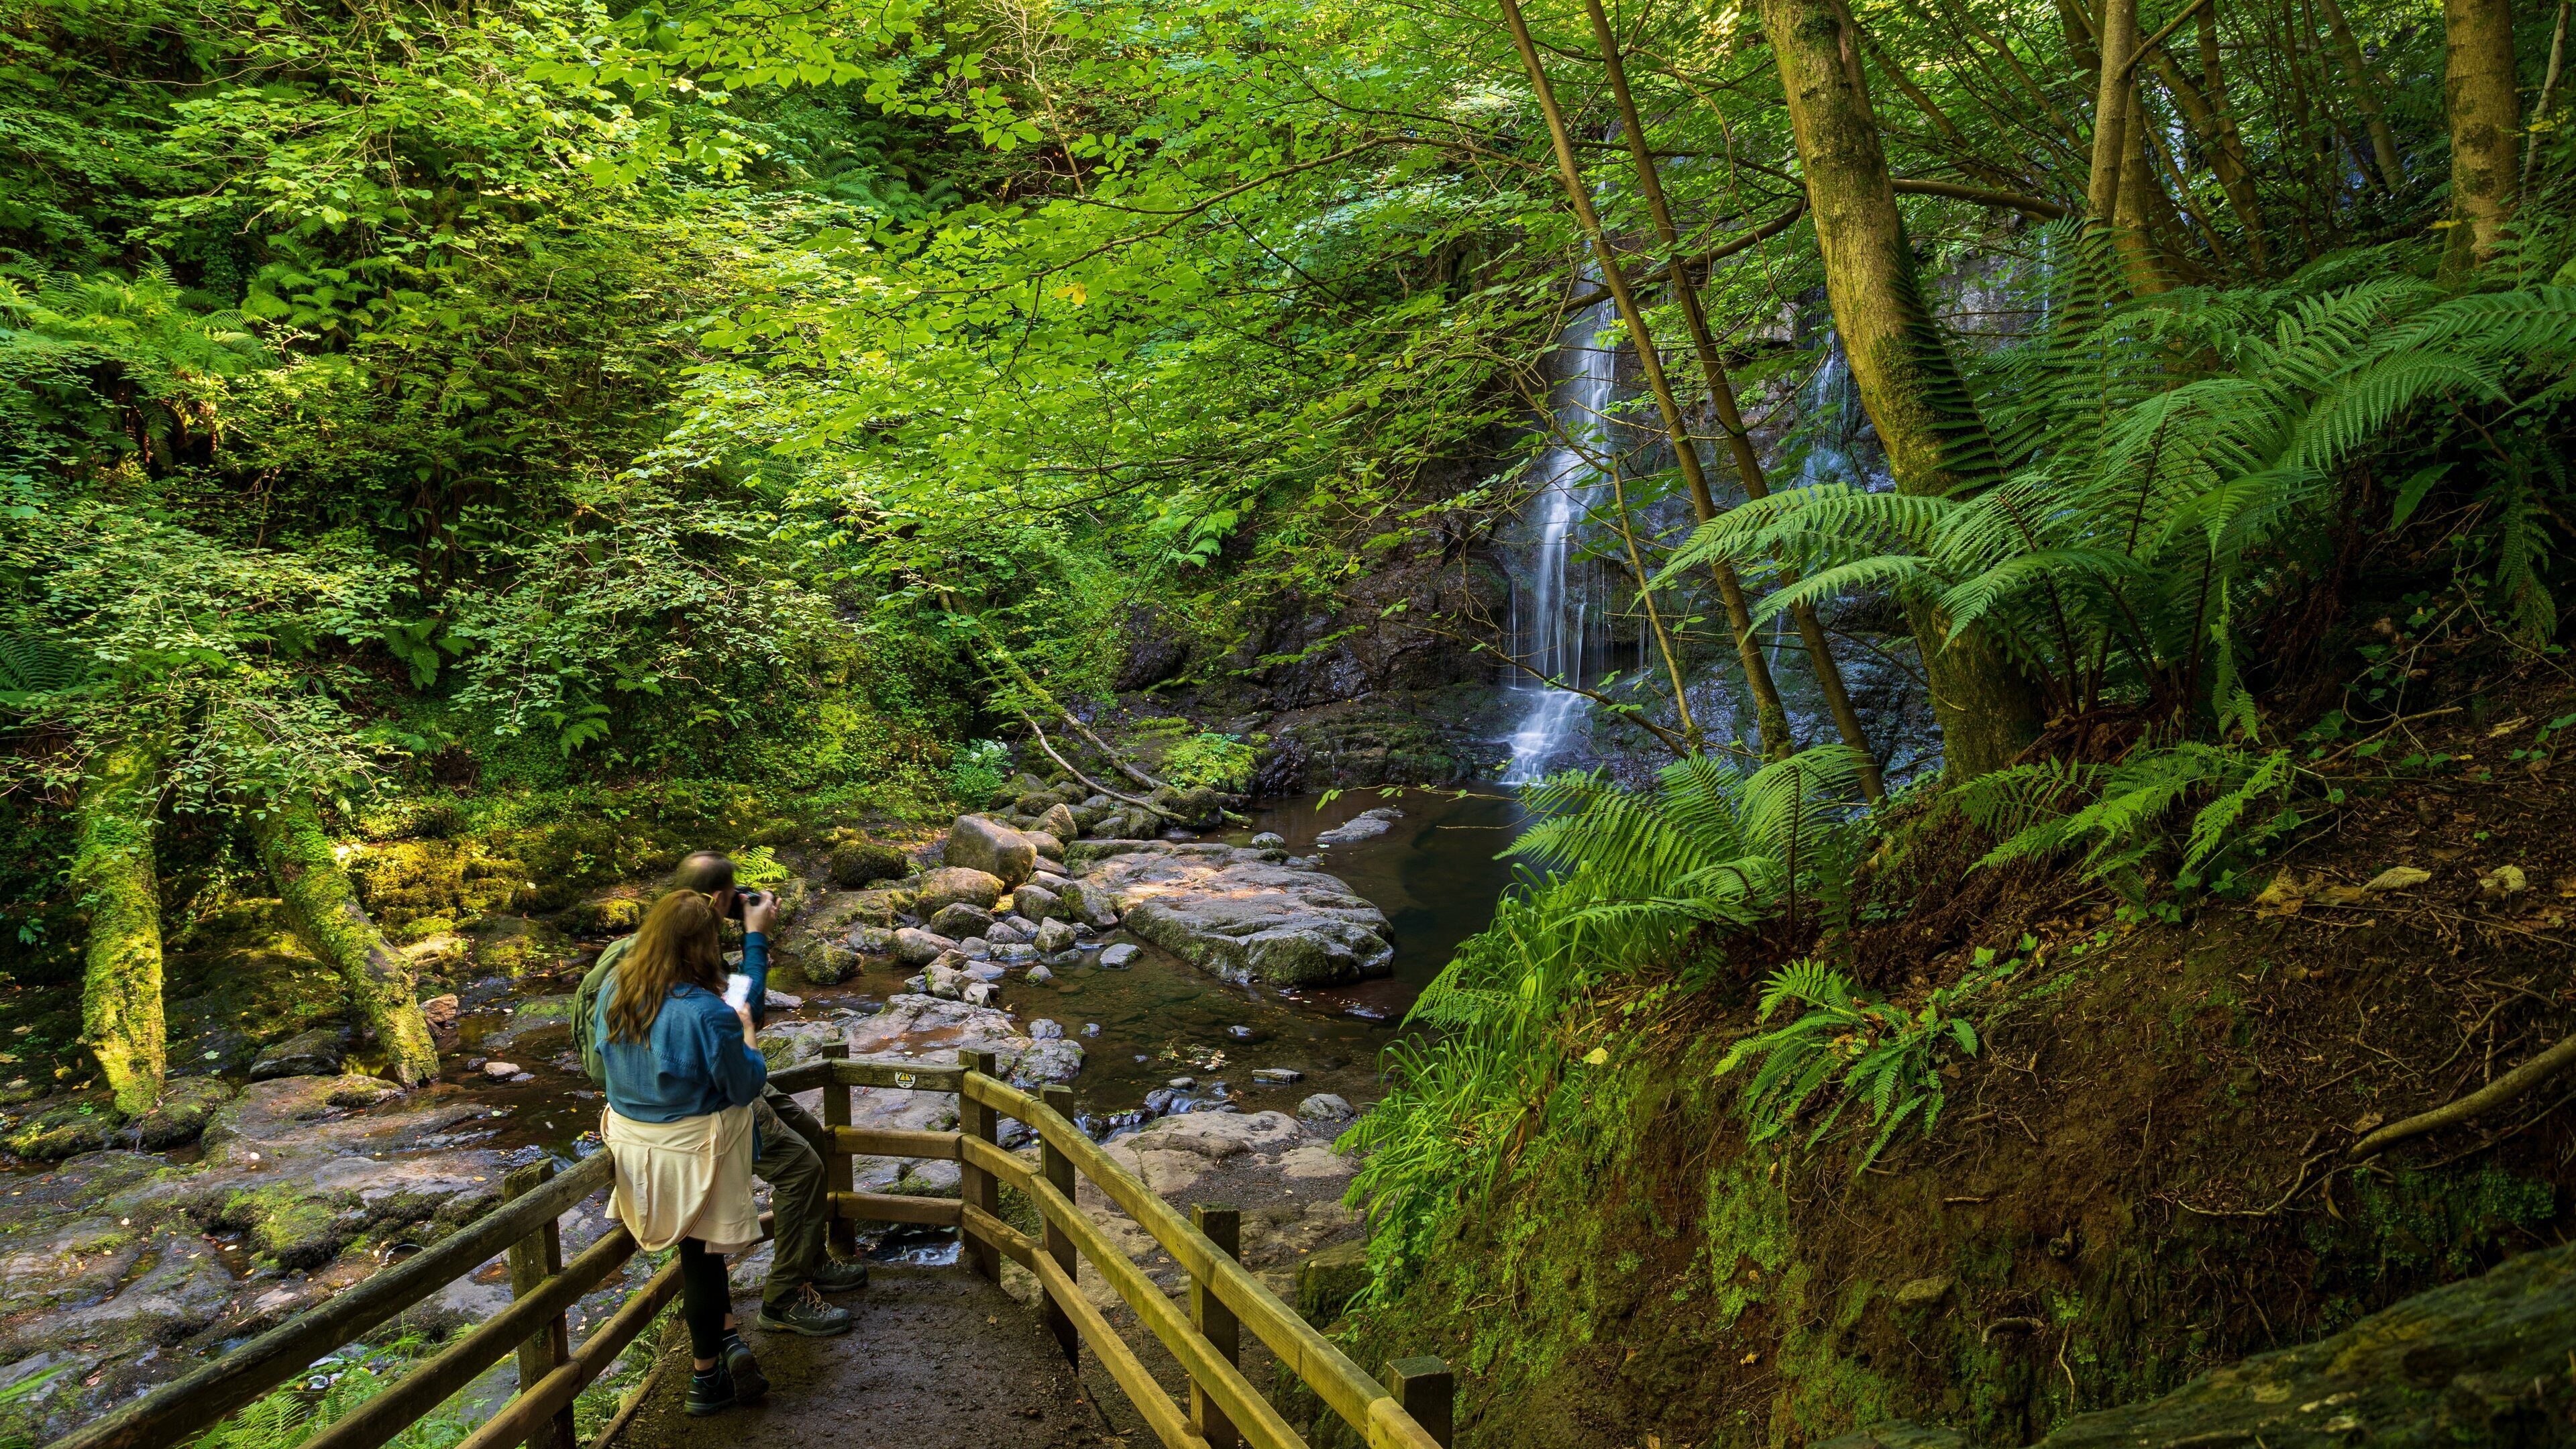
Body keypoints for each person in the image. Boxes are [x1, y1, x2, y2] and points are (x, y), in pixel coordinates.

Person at [574, 852, 863, 1338]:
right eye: (727, 903)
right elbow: (738, 1014)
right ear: (714, 903)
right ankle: (785, 1297)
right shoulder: (687, 965)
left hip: (691, 1076)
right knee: (802, 1168)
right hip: (701, 1096)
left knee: (812, 1133)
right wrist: (754, 938)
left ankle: (809, 1262)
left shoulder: (651, 942)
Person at [593, 890, 774, 1416]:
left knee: (700, 1257)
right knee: (702, 1255)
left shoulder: (615, 990)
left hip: (632, 1144)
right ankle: (704, 1378)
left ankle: (729, 1339)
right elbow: (745, 1085)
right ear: (704, 948)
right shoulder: (707, 1014)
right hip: (694, 1150)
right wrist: (749, 1037)